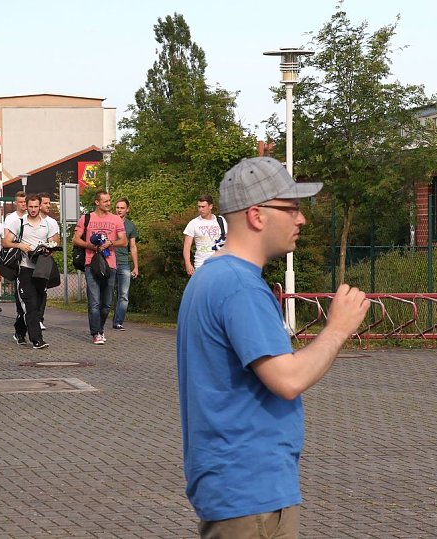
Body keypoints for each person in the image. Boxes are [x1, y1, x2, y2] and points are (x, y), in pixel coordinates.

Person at [177, 156, 370, 537]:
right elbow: (287, 379)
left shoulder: (210, 277)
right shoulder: (241, 286)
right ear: (256, 215)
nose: (302, 219)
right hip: (252, 493)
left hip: (230, 485)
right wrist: (338, 328)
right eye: (292, 208)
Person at [2, 194, 59, 349]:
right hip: (25, 268)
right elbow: (6, 242)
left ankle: (20, 330)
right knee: (30, 304)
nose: (33, 210)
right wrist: (20, 246)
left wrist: (48, 250)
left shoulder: (47, 224)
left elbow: (55, 242)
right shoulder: (18, 223)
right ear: (26, 206)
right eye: (30, 206)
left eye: (36, 206)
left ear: (40, 206)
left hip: (41, 268)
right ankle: (37, 339)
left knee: (38, 304)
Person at [72, 191, 127, 345]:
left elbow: (123, 241)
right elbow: (76, 239)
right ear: (97, 202)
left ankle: (101, 328)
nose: (109, 204)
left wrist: (110, 243)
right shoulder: (86, 218)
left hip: (110, 264)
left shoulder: (116, 219)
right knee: (94, 302)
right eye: (105, 201)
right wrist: (89, 245)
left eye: (110, 201)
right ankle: (96, 333)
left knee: (107, 303)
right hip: (92, 263)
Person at [111, 198, 139, 331]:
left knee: (123, 295)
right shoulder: (109, 222)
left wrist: (136, 266)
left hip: (123, 263)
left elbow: (133, 247)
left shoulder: (130, 226)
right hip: (109, 261)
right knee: (108, 293)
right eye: (117, 207)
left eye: (122, 208)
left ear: (127, 209)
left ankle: (118, 322)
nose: (119, 210)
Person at [182, 194, 227, 277]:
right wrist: (188, 264)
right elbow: (187, 246)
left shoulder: (221, 221)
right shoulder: (193, 223)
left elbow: (228, 240)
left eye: (203, 207)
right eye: (199, 207)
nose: (200, 209)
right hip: (201, 265)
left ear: (210, 206)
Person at [35, 192, 60, 330]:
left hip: (44, 260)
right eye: (45, 203)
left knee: (42, 290)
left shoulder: (52, 222)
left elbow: (56, 241)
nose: (48, 206)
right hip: (30, 259)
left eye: (49, 203)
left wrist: (50, 248)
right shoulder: (31, 220)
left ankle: (39, 318)